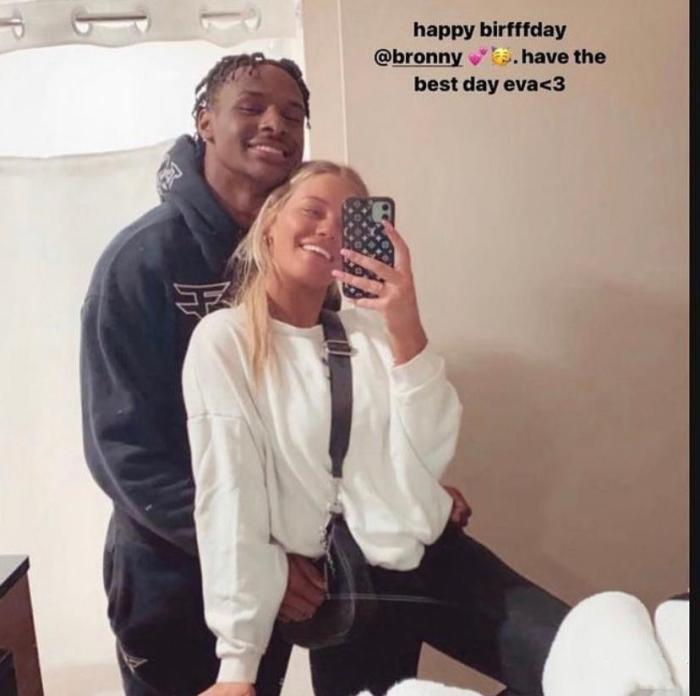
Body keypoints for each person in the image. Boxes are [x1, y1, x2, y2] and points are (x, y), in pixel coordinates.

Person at [182, 160, 571, 696]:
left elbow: (430, 451)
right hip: (346, 586)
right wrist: (236, 664)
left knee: (587, 665)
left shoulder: (372, 331)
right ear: (270, 222)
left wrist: (405, 320)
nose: (328, 230)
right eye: (313, 211)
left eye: (348, 222)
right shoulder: (227, 341)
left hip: (435, 558)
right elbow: (228, 492)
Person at [80, 52, 315, 696]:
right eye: (252, 107)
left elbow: (327, 408)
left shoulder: (301, 263)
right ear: (204, 121)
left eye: (293, 114)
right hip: (170, 572)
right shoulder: (141, 261)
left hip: (276, 567)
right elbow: (121, 448)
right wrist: (246, 552)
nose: (276, 123)